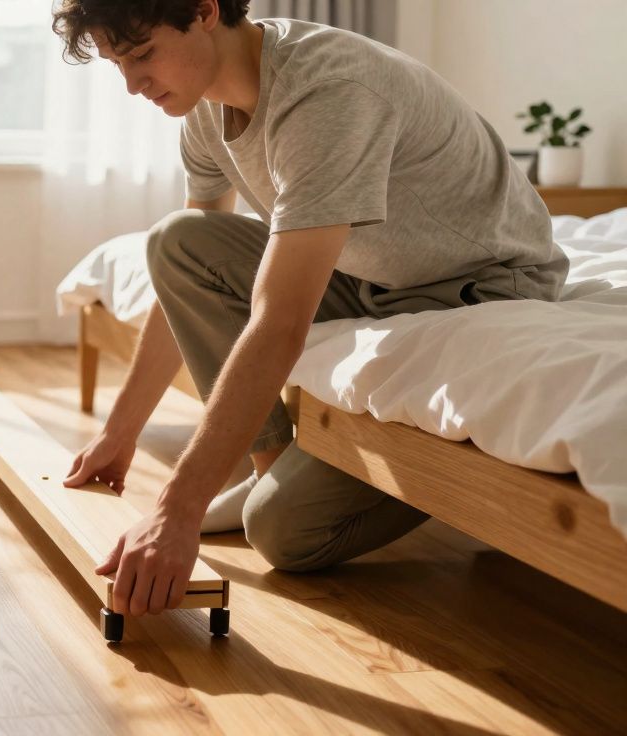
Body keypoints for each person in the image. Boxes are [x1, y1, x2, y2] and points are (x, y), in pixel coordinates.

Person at [50, 0, 568, 619]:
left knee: (281, 533)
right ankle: (269, 465)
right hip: (372, 277)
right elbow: (186, 276)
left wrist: (176, 511)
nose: (133, 85)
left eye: (141, 55)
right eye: (117, 64)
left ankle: (313, 488)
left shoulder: (327, 93)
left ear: (205, 11)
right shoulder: (205, 117)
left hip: (480, 287)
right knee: (177, 239)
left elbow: (279, 322)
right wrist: (119, 431)